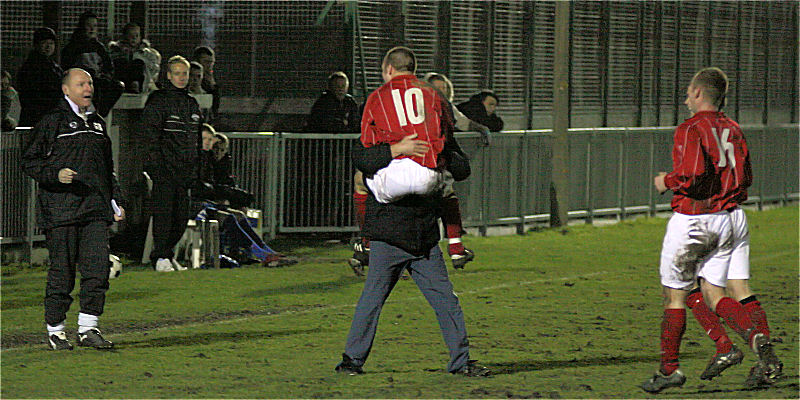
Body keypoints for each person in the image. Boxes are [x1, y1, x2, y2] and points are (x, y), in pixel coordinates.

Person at [335, 46, 487, 377]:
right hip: (391, 231)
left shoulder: (385, 106)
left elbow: (459, 167)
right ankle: (351, 361)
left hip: (420, 232)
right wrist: (398, 149)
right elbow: (362, 159)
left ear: (387, 69)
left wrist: (440, 156)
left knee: (443, 300)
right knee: (374, 301)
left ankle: (460, 363)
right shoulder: (421, 108)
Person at [640, 67, 783, 393]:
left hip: (696, 220)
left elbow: (692, 174)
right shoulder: (733, 128)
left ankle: (670, 369)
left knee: (675, 295)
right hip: (729, 216)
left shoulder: (690, 128)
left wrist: (667, 181)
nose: (687, 97)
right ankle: (757, 344)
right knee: (717, 293)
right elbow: (745, 177)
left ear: (700, 93)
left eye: (690, 91)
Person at [22, 68, 125, 350]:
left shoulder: (98, 124)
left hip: (93, 210)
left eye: (90, 82)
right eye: (81, 83)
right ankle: (56, 330)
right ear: (66, 90)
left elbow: (107, 170)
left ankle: (88, 328)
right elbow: (29, 161)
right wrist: (55, 174)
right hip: (61, 210)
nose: (87, 87)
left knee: (96, 271)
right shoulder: (52, 122)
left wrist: (115, 201)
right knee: (62, 273)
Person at [142, 55, 202, 272]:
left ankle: (168, 254)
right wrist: (156, 166)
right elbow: (150, 136)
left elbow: (196, 140)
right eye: (177, 73)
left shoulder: (192, 104)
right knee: (164, 215)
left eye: (184, 73)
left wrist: (196, 168)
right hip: (165, 169)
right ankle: (160, 257)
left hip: (185, 171)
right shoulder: (158, 101)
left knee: (181, 217)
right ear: (168, 76)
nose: (182, 77)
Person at [61, 12, 123, 117]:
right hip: (81, 83)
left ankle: (99, 114)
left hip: (98, 81)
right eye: (88, 26)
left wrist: (106, 76)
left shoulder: (99, 47)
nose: (92, 29)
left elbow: (109, 66)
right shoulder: (72, 47)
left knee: (117, 86)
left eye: (94, 26)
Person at [16, 27, 63, 127]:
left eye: (51, 43)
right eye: (44, 42)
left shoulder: (54, 66)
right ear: (36, 45)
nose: (48, 46)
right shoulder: (31, 67)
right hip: (37, 118)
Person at [108, 22, 149, 93]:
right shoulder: (115, 51)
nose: (134, 38)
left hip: (142, 87)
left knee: (138, 62)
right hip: (120, 85)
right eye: (131, 35)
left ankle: (135, 85)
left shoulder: (147, 53)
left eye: (136, 35)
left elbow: (152, 69)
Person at [192, 46, 219, 122]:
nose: (209, 66)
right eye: (206, 62)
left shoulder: (212, 82)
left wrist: (212, 86)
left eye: (211, 62)